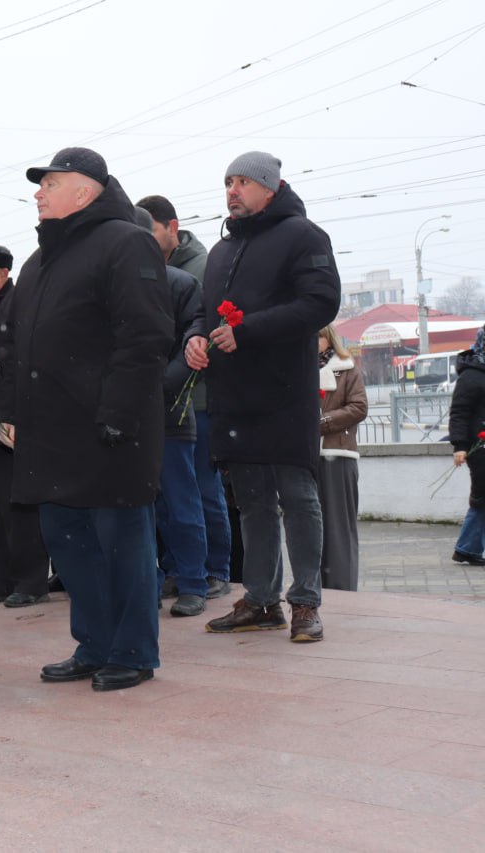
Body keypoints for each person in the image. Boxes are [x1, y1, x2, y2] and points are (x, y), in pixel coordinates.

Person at [8, 147, 172, 692]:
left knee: (122, 547)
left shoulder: (127, 243)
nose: (38, 192)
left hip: (109, 431)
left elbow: (146, 335)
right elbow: (20, 346)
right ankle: (94, 644)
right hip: (51, 434)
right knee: (72, 548)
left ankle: (132, 651)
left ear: (85, 191)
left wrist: (119, 413)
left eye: (50, 184)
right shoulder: (38, 261)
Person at [185, 152, 341, 643]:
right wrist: (194, 336)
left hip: (285, 392)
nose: (232, 190)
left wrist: (247, 330)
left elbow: (320, 302)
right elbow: (203, 311)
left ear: (270, 189)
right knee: (251, 501)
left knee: (298, 498)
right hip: (234, 394)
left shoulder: (304, 235)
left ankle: (305, 602)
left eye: (244, 182)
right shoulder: (223, 250)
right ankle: (261, 599)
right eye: (228, 181)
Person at [138, 194, 231, 598]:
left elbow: (197, 336)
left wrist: (162, 384)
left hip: (191, 403)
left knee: (196, 494)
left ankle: (213, 572)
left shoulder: (195, 273)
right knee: (163, 501)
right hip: (154, 406)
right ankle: (179, 571)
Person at [131, 206, 208, 618]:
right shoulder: (118, 286)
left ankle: (194, 583)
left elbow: (193, 342)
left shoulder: (181, 284)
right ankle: (158, 579)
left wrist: (158, 386)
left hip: (173, 412)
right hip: (133, 414)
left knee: (181, 503)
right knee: (145, 506)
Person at [0, 243, 50, 608]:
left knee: (15, 504)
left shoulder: (18, 305)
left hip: (10, 421)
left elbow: (21, 365)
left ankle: (30, 580)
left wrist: (14, 419)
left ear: (2, 273)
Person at [318, 323, 368, 590]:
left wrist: (322, 422)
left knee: (339, 527)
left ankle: (341, 587)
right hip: (306, 457)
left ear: (329, 338)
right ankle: (314, 588)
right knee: (312, 527)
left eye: (318, 336)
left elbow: (359, 407)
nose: (312, 341)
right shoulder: (299, 368)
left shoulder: (347, 368)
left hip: (339, 455)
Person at [447, 327, 485, 566]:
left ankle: (467, 548)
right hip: (478, 447)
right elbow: (459, 413)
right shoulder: (472, 375)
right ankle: (466, 548)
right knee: (482, 498)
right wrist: (459, 446)